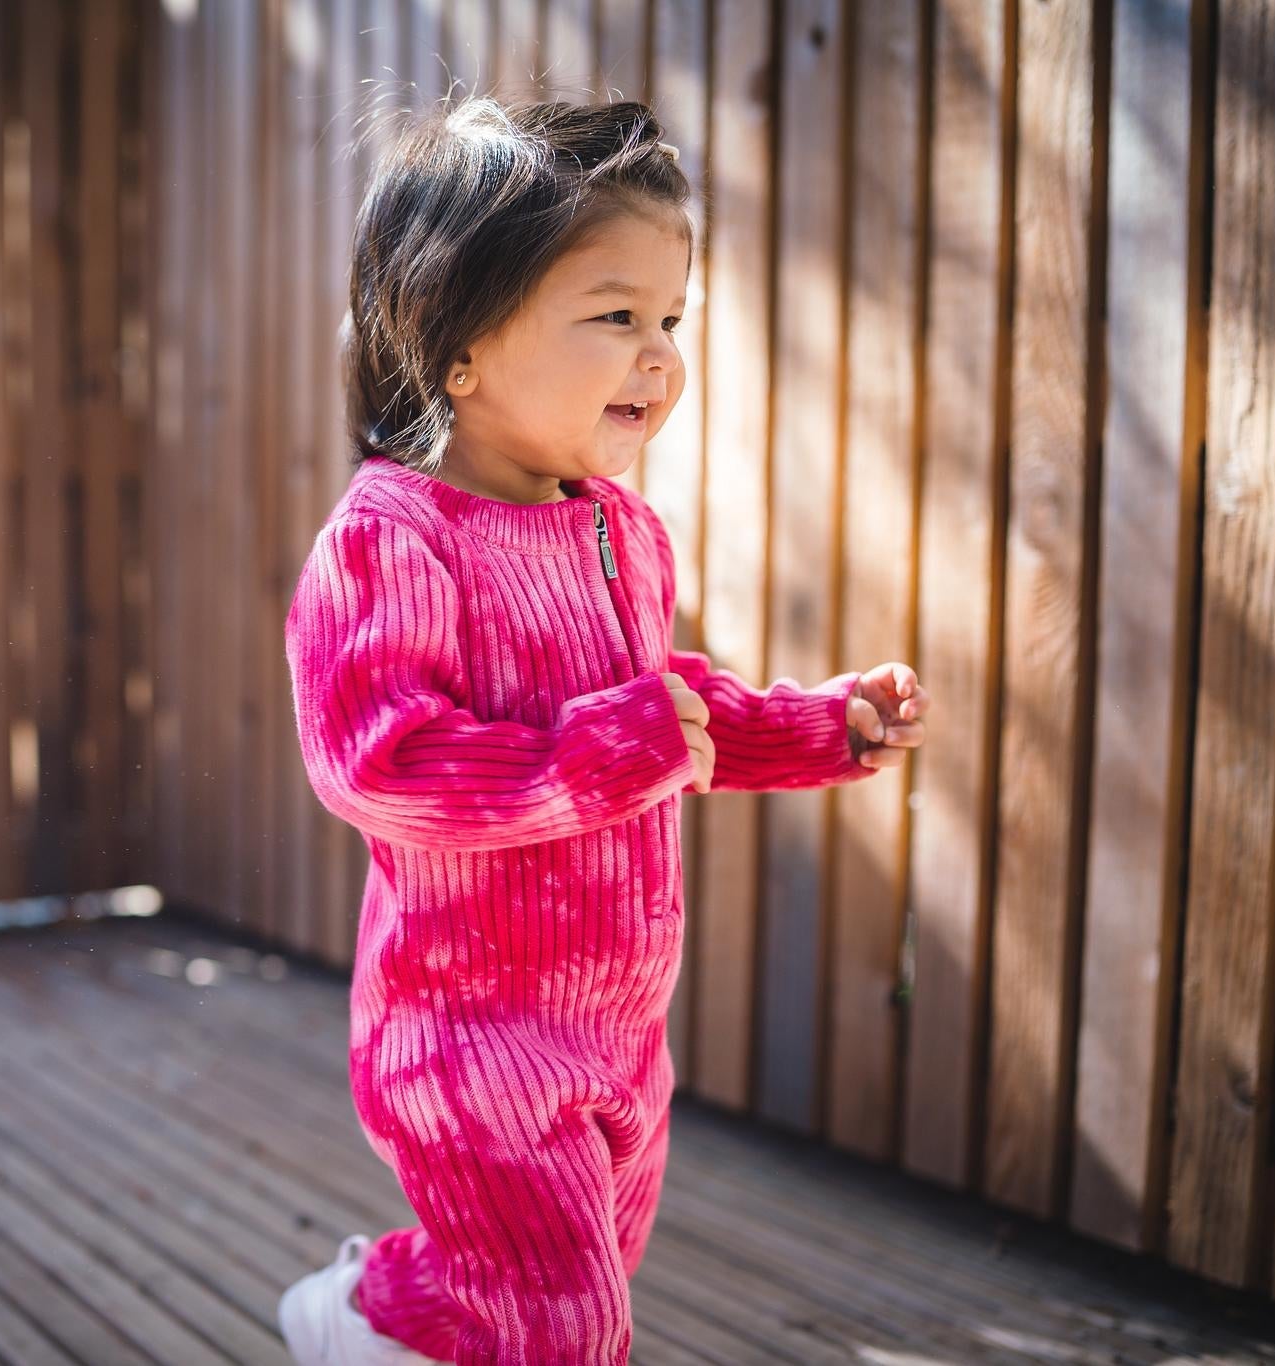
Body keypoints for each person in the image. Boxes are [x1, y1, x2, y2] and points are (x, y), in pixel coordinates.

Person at [276, 95, 930, 1365]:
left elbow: (668, 714)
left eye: (671, 320)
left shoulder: (616, 529)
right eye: (616, 316)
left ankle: (367, 1310)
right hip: (465, 1034)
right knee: (567, 1325)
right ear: (457, 346)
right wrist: (589, 756)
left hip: (620, 1025)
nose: (660, 356)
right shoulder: (390, 537)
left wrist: (814, 725)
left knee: (536, 1284)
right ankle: (379, 1309)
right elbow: (379, 759)